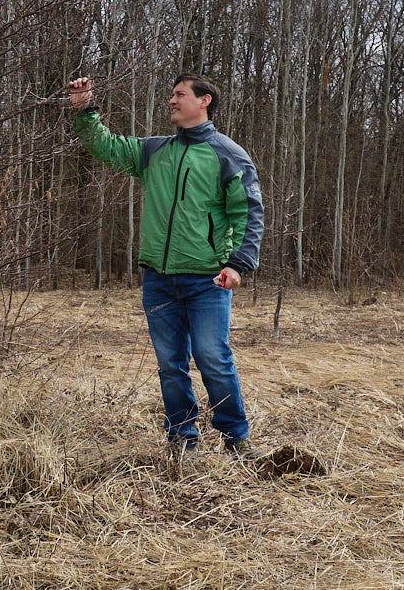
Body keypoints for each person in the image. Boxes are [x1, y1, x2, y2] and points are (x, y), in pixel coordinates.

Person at [68, 73, 265, 459]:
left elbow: (248, 212)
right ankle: (182, 440)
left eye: (180, 94)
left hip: (208, 279)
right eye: (172, 95)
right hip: (158, 279)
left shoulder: (228, 154)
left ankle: (237, 440)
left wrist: (238, 264)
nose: (172, 101)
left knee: (212, 359)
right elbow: (103, 145)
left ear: (204, 101)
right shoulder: (154, 151)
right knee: (170, 365)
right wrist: (84, 107)